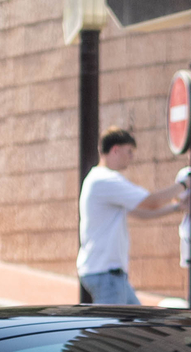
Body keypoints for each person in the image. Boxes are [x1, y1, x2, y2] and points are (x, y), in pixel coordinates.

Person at [77, 127, 183, 309]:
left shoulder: (98, 180)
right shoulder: (106, 180)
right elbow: (151, 202)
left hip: (111, 275)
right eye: (129, 152)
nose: (132, 157)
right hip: (106, 275)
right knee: (113, 335)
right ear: (115, 150)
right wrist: (184, 184)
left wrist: (176, 208)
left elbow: (141, 213)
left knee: (138, 327)